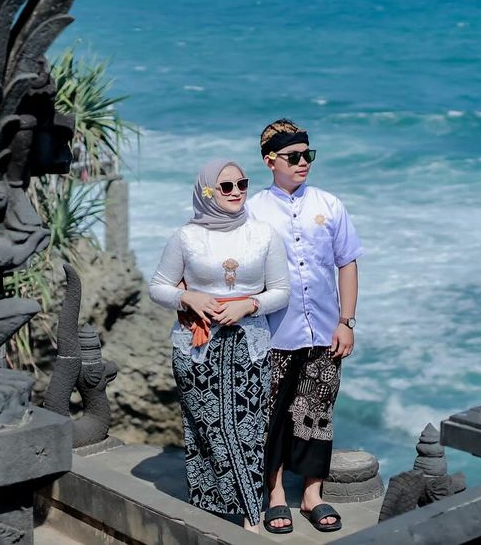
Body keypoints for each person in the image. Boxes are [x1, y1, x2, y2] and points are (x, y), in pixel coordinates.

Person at [149, 158, 290, 533]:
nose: (237, 192)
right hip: (197, 346)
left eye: (242, 184)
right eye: (226, 187)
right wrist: (189, 299)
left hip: (250, 342)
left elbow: (281, 291)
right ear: (207, 191)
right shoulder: (186, 236)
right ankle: (214, 505)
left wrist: (250, 304)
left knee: (245, 429)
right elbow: (158, 287)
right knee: (208, 428)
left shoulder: (263, 234)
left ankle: (251, 516)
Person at [247, 119, 363, 534]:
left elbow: (346, 262)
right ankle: (275, 494)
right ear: (270, 161)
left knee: (318, 411)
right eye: (293, 156)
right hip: (272, 333)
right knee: (271, 415)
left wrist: (347, 322)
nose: (303, 163)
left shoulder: (329, 205)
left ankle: (312, 495)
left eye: (307, 155)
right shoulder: (253, 210)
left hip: (326, 331)